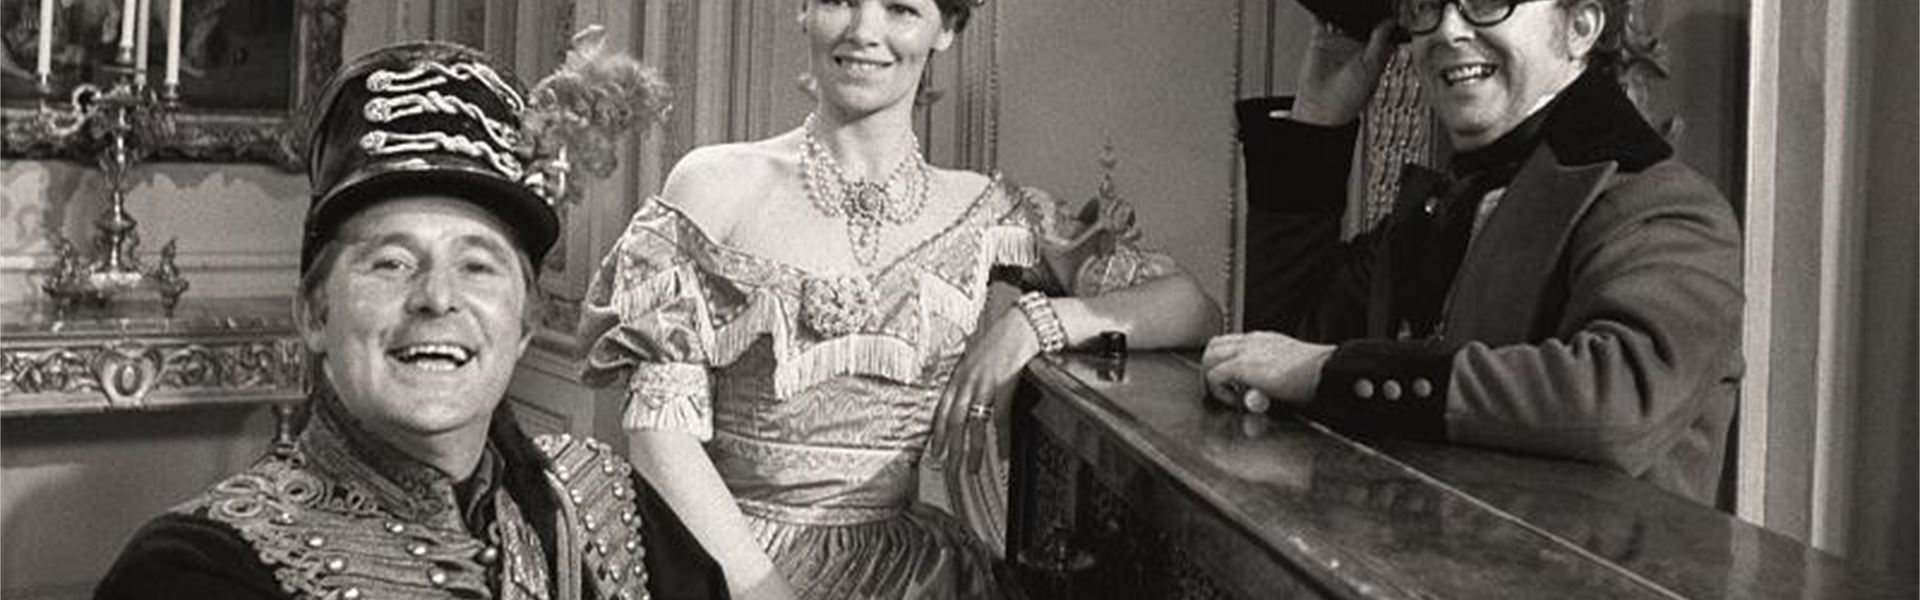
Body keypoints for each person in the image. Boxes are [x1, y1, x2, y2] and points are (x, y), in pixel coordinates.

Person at [576, 0, 1223, 597]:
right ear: (804, 10)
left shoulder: (984, 212)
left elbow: (1192, 307)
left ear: (947, 29)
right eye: (839, 1)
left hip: (910, 579)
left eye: (900, 9)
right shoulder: (714, 186)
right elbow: (660, 436)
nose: (865, 32)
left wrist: (1037, 321)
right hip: (721, 565)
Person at [95, 40, 728, 600]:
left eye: (477, 266)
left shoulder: (607, 509)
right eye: (391, 263)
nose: (436, 297)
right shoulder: (195, 571)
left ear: (526, 323)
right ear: (314, 313)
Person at [1206, 0, 1743, 507]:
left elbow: (1619, 401)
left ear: (1580, 27)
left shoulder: (1664, 206)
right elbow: (1272, 355)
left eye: (1487, 1)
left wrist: (1332, 369)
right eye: (1427, 5)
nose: (1448, 29)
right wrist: (1317, 123)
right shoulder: (1438, 213)